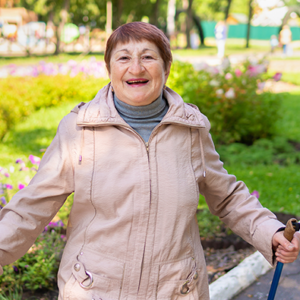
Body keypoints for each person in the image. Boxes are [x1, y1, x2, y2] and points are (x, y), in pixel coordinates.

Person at [0, 22, 299, 300]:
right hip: (94, 288)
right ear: (109, 68)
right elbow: (33, 205)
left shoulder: (191, 129)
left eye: (148, 57)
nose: (136, 68)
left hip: (176, 288)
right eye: (123, 58)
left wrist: (270, 233)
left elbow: (228, 198)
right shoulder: (79, 129)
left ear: (166, 67)